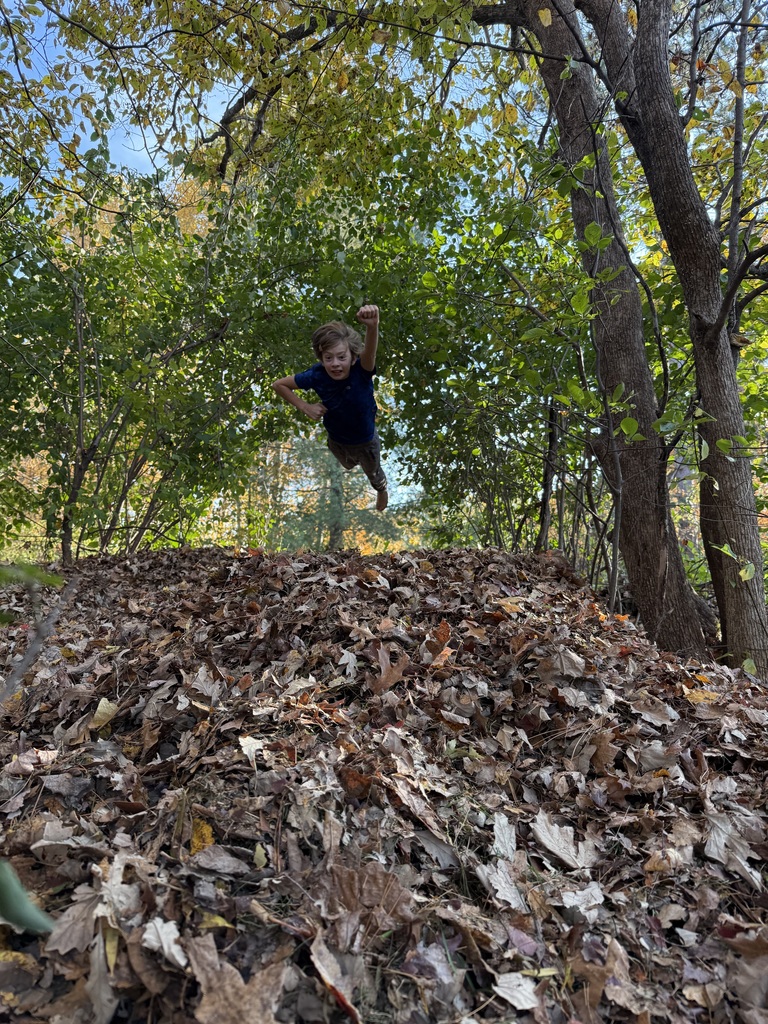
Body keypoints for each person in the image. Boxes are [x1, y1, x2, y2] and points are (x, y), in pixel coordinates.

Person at [272, 304, 388, 511]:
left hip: (366, 440)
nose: (335, 363)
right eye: (328, 358)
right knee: (348, 464)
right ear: (321, 358)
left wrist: (373, 326)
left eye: (341, 357)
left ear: (353, 357)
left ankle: (381, 489)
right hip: (337, 440)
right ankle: (355, 464)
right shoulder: (317, 375)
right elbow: (279, 385)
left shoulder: (362, 370)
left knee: (372, 472)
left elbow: (370, 352)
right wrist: (305, 406)